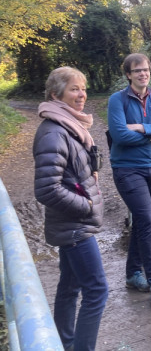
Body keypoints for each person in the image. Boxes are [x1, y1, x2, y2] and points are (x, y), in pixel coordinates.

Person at [33, 67, 108, 351]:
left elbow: (70, 172)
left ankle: (64, 342)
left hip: (71, 224)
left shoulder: (69, 125)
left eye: (83, 88)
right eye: (74, 89)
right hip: (75, 225)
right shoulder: (54, 132)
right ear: (56, 94)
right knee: (97, 291)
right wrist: (87, 205)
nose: (82, 95)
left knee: (70, 286)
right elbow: (46, 189)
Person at [107, 53, 151, 303]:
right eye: (137, 71)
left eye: (146, 69)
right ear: (128, 74)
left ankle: (133, 273)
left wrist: (140, 127)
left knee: (143, 222)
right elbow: (119, 135)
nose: (143, 74)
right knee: (147, 219)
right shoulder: (117, 100)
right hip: (128, 169)